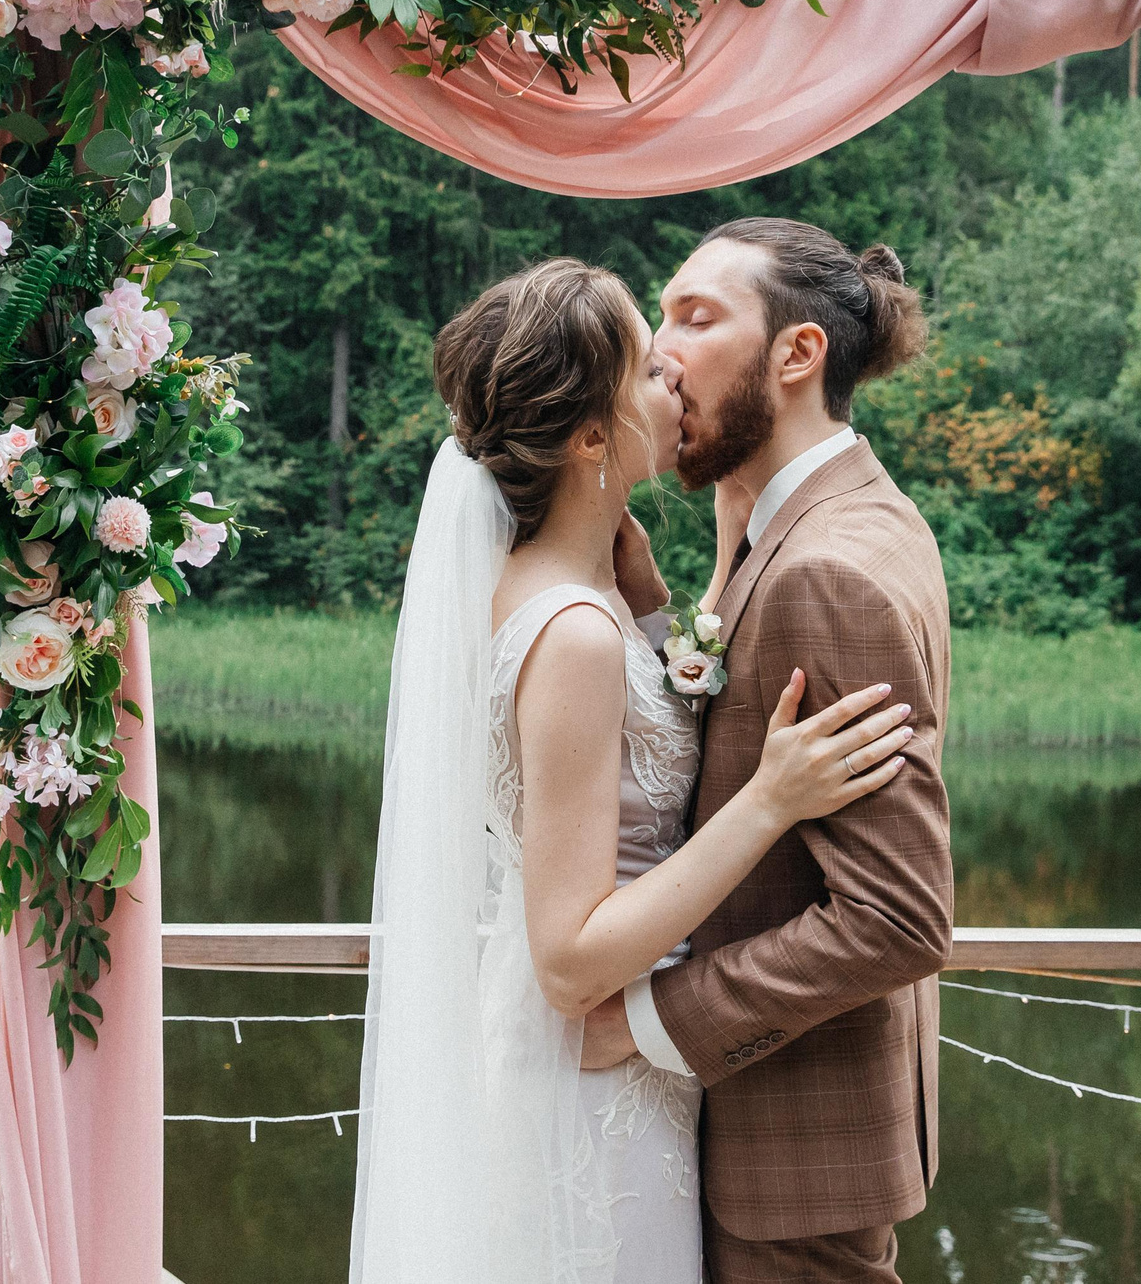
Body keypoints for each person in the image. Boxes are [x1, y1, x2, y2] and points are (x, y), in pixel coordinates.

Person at [347, 255, 913, 1283]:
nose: (678, 381)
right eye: (652, 368)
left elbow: (617, 781)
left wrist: (657, 620)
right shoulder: (572, 634)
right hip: (592, 1088)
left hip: (600, 1075)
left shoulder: (574, 597)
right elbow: (569, 960)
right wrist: (770, 800)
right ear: (596, 436)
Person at [586, 217, 951, 1284]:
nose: (658, 351)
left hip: (791, 1156)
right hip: (805, 1134)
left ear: (797, 354)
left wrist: (643, 1021)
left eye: (695, 318)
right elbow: (737, 731)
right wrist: (660, 616)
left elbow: (896, 917)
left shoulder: (821, 571)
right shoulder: (840, 516)